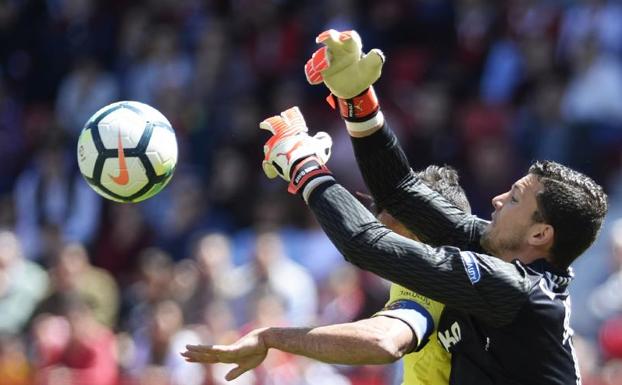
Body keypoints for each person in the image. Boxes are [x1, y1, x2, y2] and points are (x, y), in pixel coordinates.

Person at [188, 30, 607, 384]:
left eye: (514, 198)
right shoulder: (491, 251)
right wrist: (358, 101)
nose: (497, 199)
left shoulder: (514, 290)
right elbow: (401, 191)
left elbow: (366, 247)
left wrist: (305, 168)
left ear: (539, 234)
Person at [183, 165, 470, 385]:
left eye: (390, 222)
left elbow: (383, 341)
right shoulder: (430, 274)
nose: (379, 232)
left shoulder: (435, 282)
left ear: (420, 229)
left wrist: (271, 337)